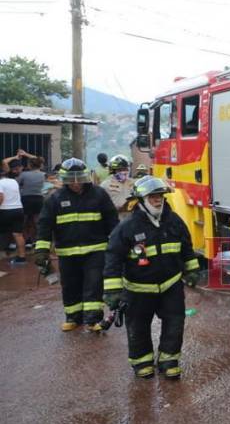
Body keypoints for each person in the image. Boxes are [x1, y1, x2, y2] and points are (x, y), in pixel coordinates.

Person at [103, 176, 200, 379]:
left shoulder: (174, 221)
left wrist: (191, 269)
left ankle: (169, 360)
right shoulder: (127, 227)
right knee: (138, 326)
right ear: (141, 200)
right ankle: (142, 362)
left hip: (171, 286)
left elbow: (186, 247)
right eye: (152, 197)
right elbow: (113, 258)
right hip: (138, 290)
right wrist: (112, 290)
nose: (158, 200)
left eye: (160, 196)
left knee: (175, 323)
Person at [35, 158, 119, 332]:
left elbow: (112, 220)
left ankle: (93, 320)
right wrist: (41, 250)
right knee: (70, 286)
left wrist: (118, 244)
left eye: (79, 178)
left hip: (96, 250)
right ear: (64, 179)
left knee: (94, 285)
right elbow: (44, 226)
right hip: (67, 253)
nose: (75, 183)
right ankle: (73, 317)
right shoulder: (55, 198)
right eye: (70, 179)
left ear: (85, 177)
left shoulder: (99, 194)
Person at [17, 152, 47, 247]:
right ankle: (38, 240)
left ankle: (26, 240)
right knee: (37, 221)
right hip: (39, 199)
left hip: (26, 199)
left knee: (24, 221)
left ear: (30, 165)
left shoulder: (24, 174)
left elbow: (16, 184)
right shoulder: (43, 174)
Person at [0, 167, 26, 264]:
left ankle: (3, 252)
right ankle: (22, 257)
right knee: (18, 234)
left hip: (5, 210)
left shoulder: (0, 183)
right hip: (18, 209)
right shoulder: (14, 181)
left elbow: (1, 198)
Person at [101, 155, 135, 220]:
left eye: (125, 169)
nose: (123, 172)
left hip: (131, 220)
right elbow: (100, 205)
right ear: (113, 171)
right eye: (119, 170)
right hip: (114, 220)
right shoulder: (105, 185)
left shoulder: (134, 183)